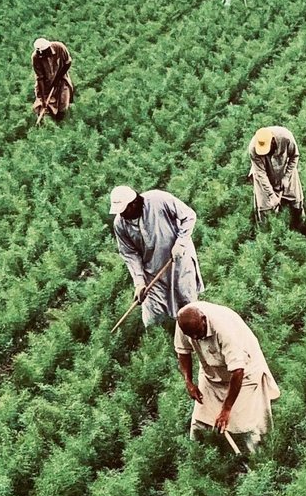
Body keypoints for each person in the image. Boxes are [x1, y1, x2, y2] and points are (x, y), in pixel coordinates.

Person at [174, 301, 280, 459]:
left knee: (246, 424)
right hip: (211, 372)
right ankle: (197, 459)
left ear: (204, 319)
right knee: (200, 422)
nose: (196, 338)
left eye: (198, 332)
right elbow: (183, 353)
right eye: (192, 335)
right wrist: (188, 382)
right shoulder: (185, 323)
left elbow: (238, 371)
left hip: (245, 371)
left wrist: (226, 409)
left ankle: (256, 462)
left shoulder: (225, 330)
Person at [110, 186, 204, 328]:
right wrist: (139, 282)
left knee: (188, 305)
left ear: (134, 203)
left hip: (179, 262)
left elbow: (188, 216)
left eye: (124, 210)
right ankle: (159, 340)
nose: (121, 214)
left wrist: (181, 242)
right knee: (152, 315)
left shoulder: (158, 200)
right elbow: (129, 254)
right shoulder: (120, 224)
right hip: (152, 271)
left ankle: (191, 340)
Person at [247, 126, 304, 225]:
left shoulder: (286, 137)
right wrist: (271, 195)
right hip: (264, 174)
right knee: (265, 207)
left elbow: (294, 156)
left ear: (273, 141)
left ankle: (298, 226)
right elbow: (261, 174)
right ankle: (265, 235)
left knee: (295, 201)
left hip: (285, 168)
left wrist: (286, 177)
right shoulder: (253, 148)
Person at [31, 38, 74, 123]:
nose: (43, 56)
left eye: (45, 53)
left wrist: (57, 78)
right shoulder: (36, 57)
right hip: (46, 82)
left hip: (61, 78)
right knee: (43, 106)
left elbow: (68, 62)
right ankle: (47, 122)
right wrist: (43, 100)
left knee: (63, 103)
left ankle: (61, 121)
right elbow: (40, 78)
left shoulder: (59, 47)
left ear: (48, 48)